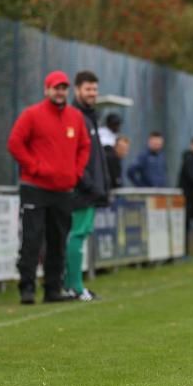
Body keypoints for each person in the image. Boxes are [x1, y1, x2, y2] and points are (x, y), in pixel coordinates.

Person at [7, 71, 90, 305]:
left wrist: (76, 172)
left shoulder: (75, 117)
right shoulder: (32, 115)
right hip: (35, 188)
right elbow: (14, 143)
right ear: (47, 90)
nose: (60, 92)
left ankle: (53, 288)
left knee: (58, 240)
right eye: (56, 88)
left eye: (63, 88)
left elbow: (84, 146)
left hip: (63, 190)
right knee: (32, 239)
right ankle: (27, 288)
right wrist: (33, 167)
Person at [66, 70, 110, 302]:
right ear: (77, 90)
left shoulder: (89, 117)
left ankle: (72, 285)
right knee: (77, 234)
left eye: (94, 89)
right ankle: (74, 286)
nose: (92, 93)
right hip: (81, 189)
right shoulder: (76, 117)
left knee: (79, 236)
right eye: (87, 89)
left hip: (89, 188)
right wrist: (88, 184)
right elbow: (74, 157)